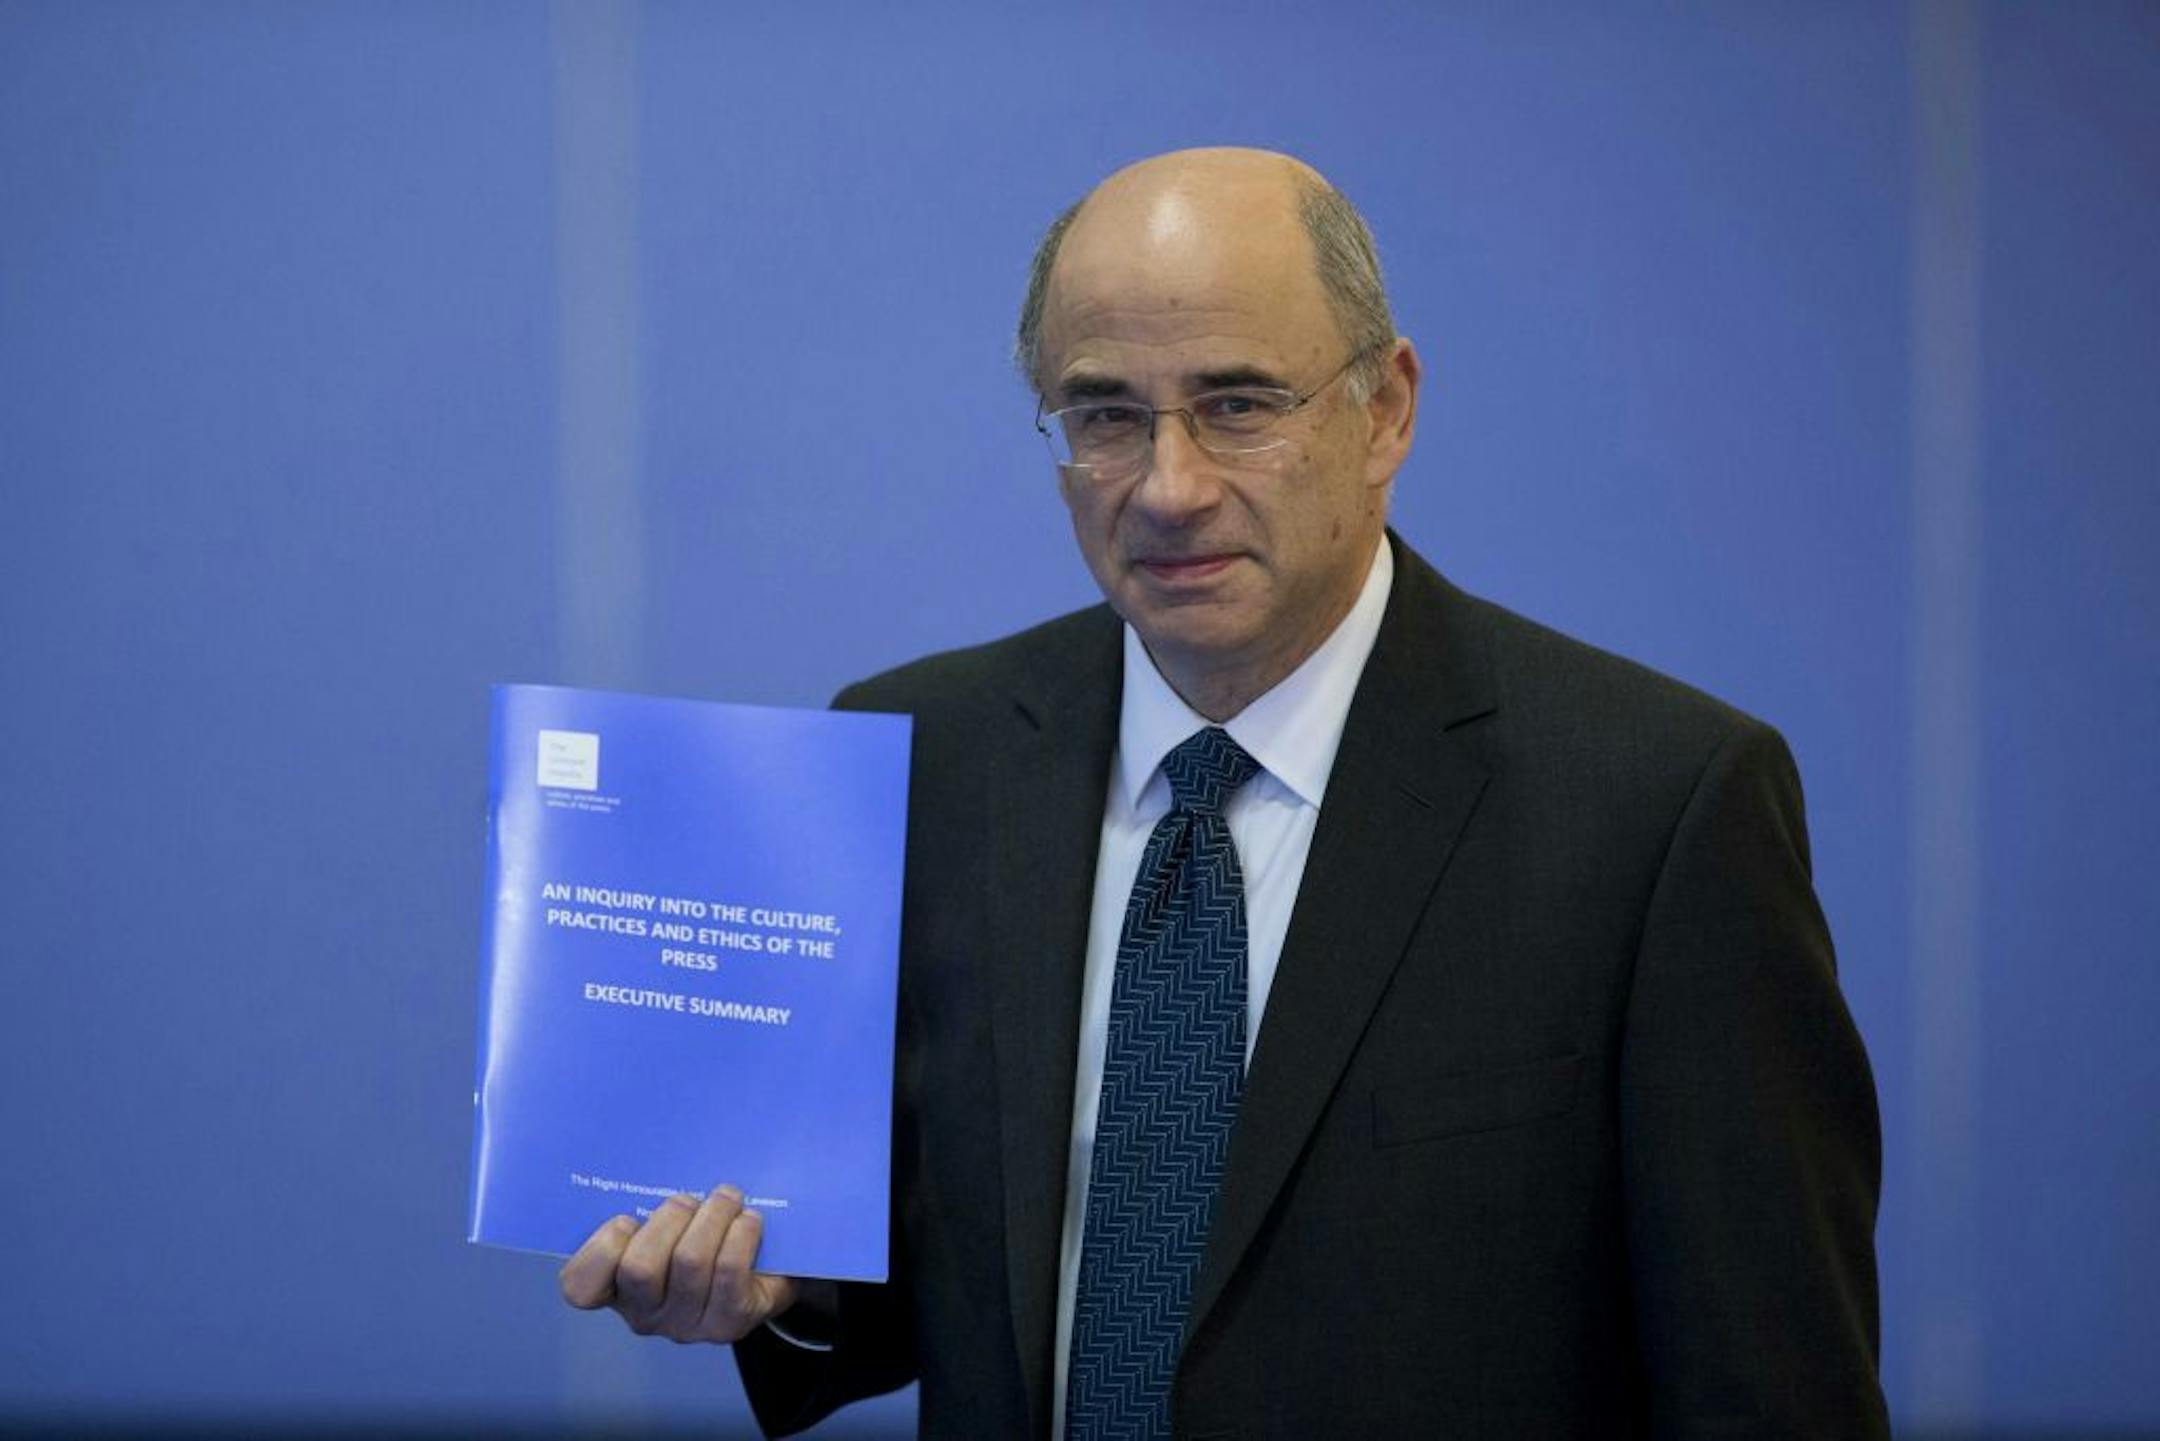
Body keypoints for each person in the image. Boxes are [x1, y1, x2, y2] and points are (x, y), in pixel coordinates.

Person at [560, 147, 1890, 1439]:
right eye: (1105, 415)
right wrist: (767, 1289)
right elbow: (918, 1280)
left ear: (1386, 410)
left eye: (1239, 403)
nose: (1169, 485)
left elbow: (1766, 1389)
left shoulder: (1655, 807)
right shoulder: (924, 753)